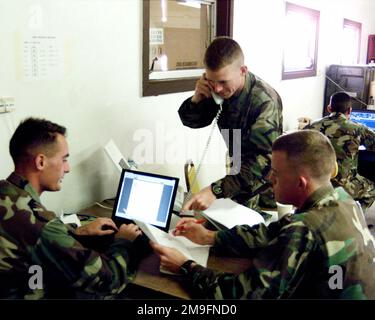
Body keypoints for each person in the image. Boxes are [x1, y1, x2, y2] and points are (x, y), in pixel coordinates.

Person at [151, 130, 375, 299]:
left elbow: (243, 294)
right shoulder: (343, 200)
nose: (269, 179)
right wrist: (210, 237)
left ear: (301, 183)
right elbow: (271, 232)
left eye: (275, 173)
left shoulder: (304, 228)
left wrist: (184, 266)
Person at [0, 117, 149, 299]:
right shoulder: (40, 224)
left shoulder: (6, 192)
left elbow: (32, 241)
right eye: (64, 160)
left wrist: (76, 232)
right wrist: (124, 242)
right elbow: (107, 281)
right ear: (40, 162)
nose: (68, 168)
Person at [178, 37, 283, 212]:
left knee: (247, 233)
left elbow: (263, 162)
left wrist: (215, 190)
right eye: (211, 81)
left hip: (264, 185)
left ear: (242, 70)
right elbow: (193, 122)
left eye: (223, 82)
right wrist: (198, 98)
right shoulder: (220, 91)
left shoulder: (264, 101)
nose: (217, 89)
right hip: (237, 174)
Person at [305, 91, 375, 210]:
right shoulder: (358, 129)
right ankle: (352, 218)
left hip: (315, 183)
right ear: (349, 111)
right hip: (345, 184)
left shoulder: (311, 127)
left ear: (329, 108)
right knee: (372, 190)